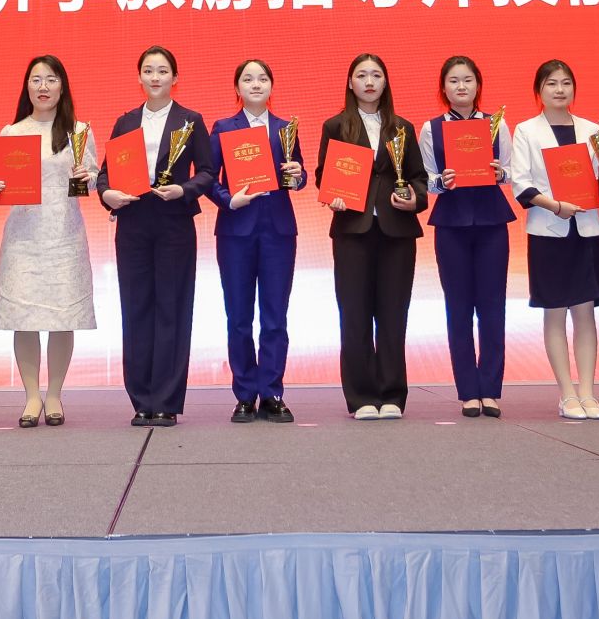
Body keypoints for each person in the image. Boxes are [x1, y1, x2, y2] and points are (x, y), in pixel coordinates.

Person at [100, 46, 213, 427]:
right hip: (133, 221)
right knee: (136, 308)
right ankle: (141, 400)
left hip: (174, 222)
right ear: (139, 77)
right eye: (148, 70)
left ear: (175, 78)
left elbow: (208, 172)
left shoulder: (191, 120)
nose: (155, 77)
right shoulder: (126, 121)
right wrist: (107, 194)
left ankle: (166, 400)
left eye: (162, 71)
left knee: (172, 308)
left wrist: (184, 189)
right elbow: (105, 173)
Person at [315, 52, 429, 421]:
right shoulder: (336, 126)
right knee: (355, 315)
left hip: (396, 231)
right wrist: (331, 194)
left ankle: (392, 394)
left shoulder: (402, 127)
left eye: (376, 75)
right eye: (361, 75)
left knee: (394, 315)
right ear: (350, 83)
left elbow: (418, 178)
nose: (369, 81)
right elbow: (323, 174)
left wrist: (415, 199)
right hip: (352, 229)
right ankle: (361, 395)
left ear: (385, 82)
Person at [0, 54, 98, 428]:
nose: (43, 87)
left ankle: (54, 394)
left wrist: (86, 177)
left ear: (62, 86)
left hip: (64, 232)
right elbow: (0, 184)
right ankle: (31, 396)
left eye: (51, 79)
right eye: (36, 80)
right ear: (27, 87)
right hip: (23, 235)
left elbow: (93, 180)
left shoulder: (79, 131)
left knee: (61, 315)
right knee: (23, 317)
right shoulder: (12, 132)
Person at [508, 59, 599, 421]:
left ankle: (588, 393)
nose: (560, 90)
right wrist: (555, 206)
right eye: (551, 83)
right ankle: (567, 394)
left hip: (586, 229)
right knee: (554, 312)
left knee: (585, 312)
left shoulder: (593, 129)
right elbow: (520, 182)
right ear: (539, 90)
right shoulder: (526, 131)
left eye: (566, 83)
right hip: (548, 231)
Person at [418, 55, 517, 418]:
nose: (461, 87)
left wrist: (500, 173)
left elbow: (511, 171)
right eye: (454, 81)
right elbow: (425, 179)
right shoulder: (431, 129)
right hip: (451, 224)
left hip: (491, 221)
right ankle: (468, 391)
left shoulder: (496, 124)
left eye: (468, 80)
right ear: (443, 88)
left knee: (492, 306)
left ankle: (490, 388)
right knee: (458, 308)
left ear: (478, 85)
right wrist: (440, 182)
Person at [210, 59, 303, 424]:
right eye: (248, 79)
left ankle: (273, 392)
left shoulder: (285, 129)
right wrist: (228, 199)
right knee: (238, 317)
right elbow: (208, 177)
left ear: (271, 86)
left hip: (278, 232)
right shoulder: (223, 128)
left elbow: (298, 175)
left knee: (275, 316)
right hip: (235, 231)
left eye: (263, 78)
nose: (256, 84)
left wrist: (297, 174)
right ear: (237, 88)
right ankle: (245, 394)